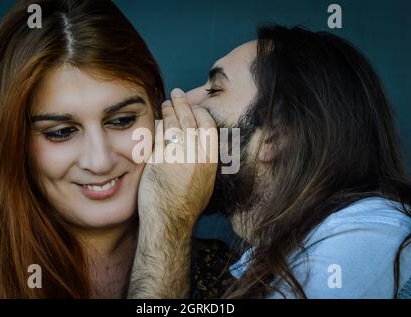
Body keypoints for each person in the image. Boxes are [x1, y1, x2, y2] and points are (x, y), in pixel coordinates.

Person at [129, 25, 411, 298]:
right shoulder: (293, 251)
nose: (183, 101)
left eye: (215, 90)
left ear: (276, 135)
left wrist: (167, 221)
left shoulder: (359, 244)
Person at [0, 0, 166, 298]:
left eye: (121, 121)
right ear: (10, 140)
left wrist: (167, 236)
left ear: (159, 113)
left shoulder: (231, 276)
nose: (100, 161)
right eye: (61, 132)